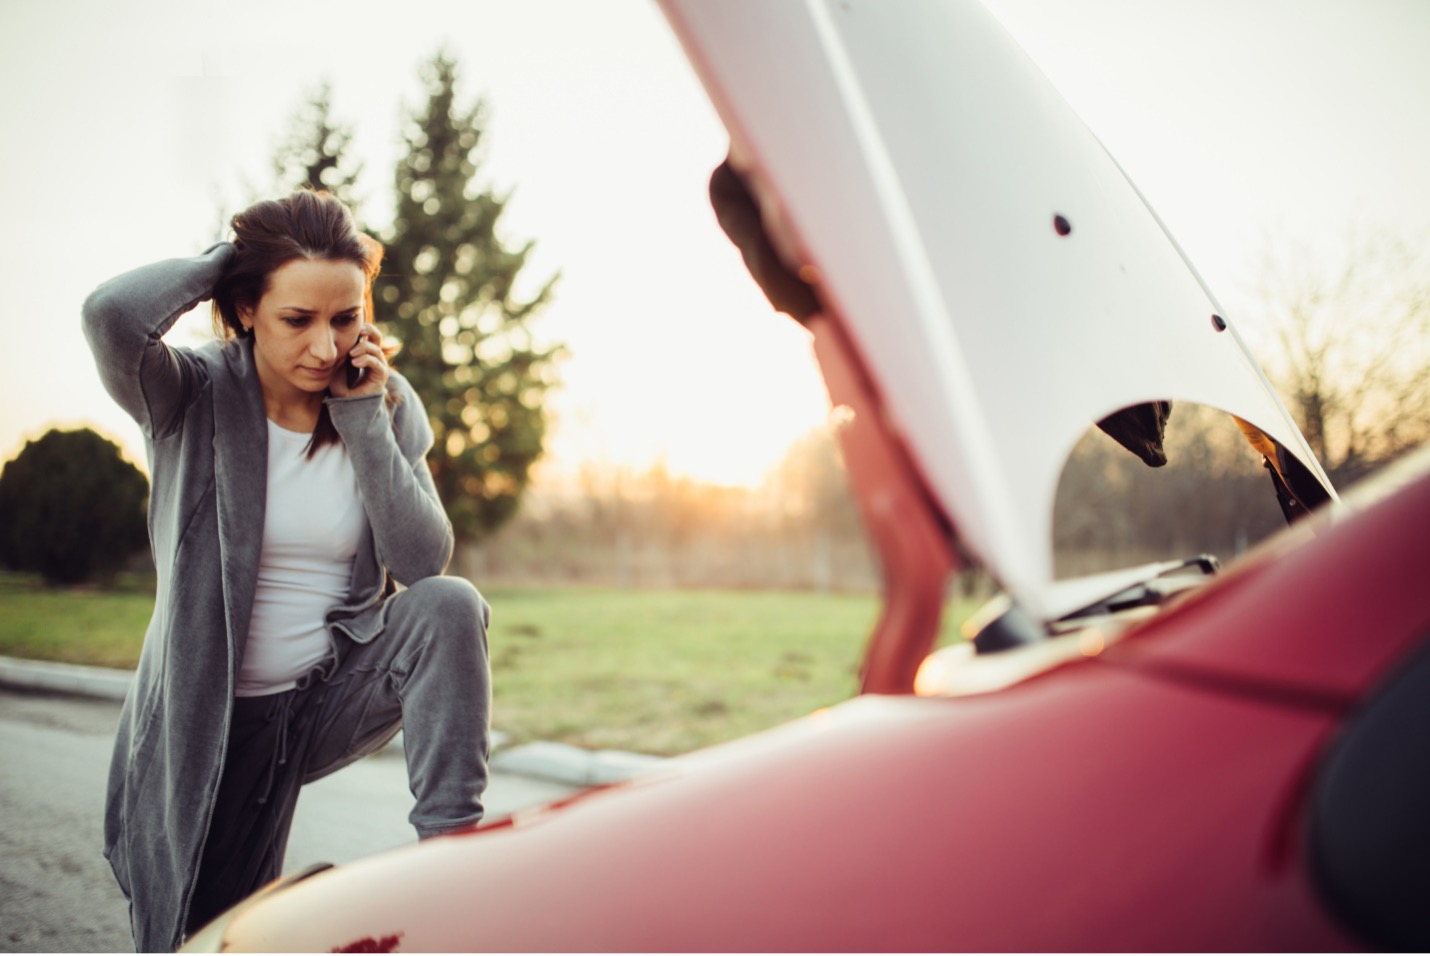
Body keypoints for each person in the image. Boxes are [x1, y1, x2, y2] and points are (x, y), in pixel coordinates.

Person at [82, 189, 492, 952]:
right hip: (210, 723)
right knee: (212, 934)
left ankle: (453, 860)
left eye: (345, 318)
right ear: (246, 309)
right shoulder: (190, 392)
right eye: (297, 319)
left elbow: (421, 561)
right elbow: (112, 314)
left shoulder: (383, 400)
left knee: (449, 604)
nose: (326, 346)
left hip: (323, 699)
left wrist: (363, 418)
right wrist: (227, 263)